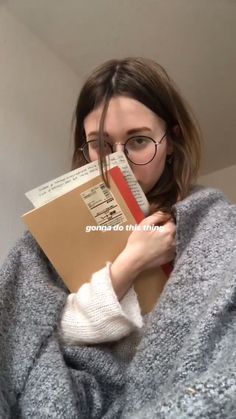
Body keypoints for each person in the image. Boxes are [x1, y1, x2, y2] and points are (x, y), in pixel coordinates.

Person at [0, 57, 236, 419]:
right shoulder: (55, 232)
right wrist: (131, 263)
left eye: (138, 141)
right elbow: (36, 336)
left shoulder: (210, 219)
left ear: (171, 141)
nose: (118, 162)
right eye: (100, 145)